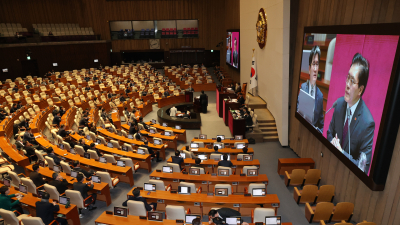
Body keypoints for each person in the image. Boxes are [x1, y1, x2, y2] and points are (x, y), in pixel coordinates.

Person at [327, 53, 375, 174]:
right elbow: (329, 133)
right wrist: (332, 143)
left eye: (352, 81)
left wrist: (341, 153)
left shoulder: (367, 123)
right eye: (348, 78)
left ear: (360, 89)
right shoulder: (338, 104)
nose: (347, 84)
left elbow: (363, 167)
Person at [296, 45, 324, 132]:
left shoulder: (320, 96)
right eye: (313, 64)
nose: (315, 69)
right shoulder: (303, 88)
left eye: (317, 64)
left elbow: (322, 125)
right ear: (309, 69)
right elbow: (297, 112)